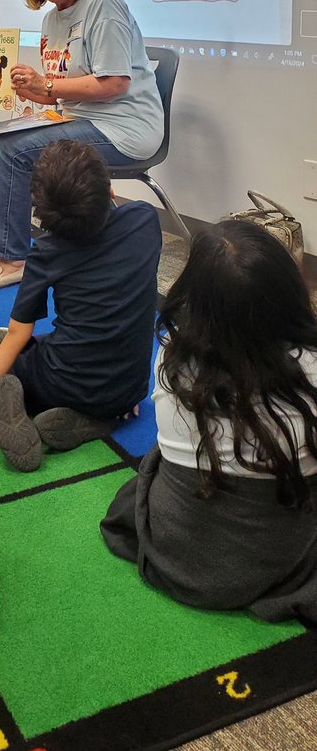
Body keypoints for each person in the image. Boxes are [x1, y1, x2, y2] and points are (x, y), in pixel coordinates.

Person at [101, 221, 317, 625]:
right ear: (290, 293)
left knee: (157, 462)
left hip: (178, 550)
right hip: (278, 556)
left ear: (194, 298)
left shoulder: (171, 356)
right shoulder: (311, 364)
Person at [0, 0, 163, 290]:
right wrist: (10, 85)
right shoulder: (52, 18)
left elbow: (115, 83)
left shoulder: (103, 3)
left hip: (125, 126)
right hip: (82, 117)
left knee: (13, 151)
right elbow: (58, 94)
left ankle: (11, 258)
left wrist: (46, 84)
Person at [0, 141, 162, 471]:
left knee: (7, 360)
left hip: (66, 382)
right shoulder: (145, 220)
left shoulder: (47, 253)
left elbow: (16, 334)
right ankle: (105, 418)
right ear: (109, 190)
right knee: (71, 346)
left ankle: (16, 405)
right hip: (132, 385)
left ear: (41, 213)